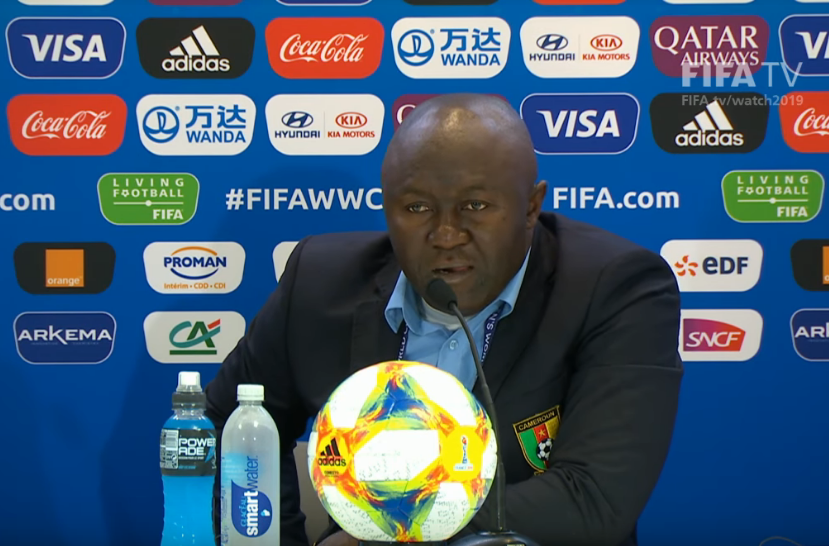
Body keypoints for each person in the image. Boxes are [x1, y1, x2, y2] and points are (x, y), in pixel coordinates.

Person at [204, 93, 683, 546]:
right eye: (417, 208)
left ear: (531, 207)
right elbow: (225, 422)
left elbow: (593, 498)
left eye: (475, 206)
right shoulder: (320, 283)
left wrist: (390, 530)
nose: (447, 234)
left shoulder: (614, 288)